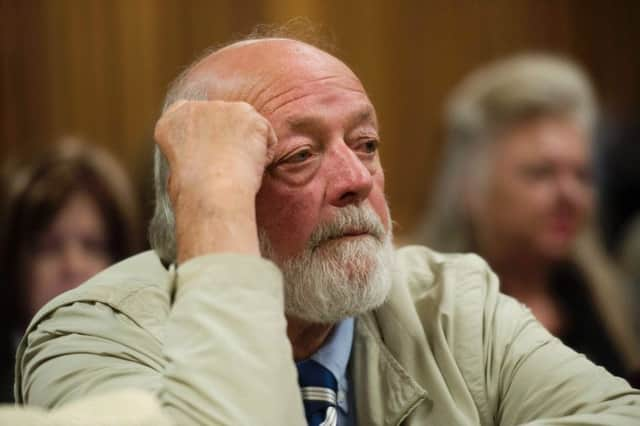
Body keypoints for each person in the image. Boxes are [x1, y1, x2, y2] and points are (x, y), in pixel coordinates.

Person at [14, 33, 640, 425]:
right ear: (212, 196)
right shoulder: (91, 330)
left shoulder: (452, 302)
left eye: (365, 144)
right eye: (299, 157)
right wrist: (211, 201)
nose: (356, 179)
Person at [412, 54, 640, 384]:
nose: (570, 196)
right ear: (471, 189)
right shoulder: (419, 311)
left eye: (582, 175)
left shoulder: (613, 306)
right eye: (541, 174)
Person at [0, 139, 142, 402]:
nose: (73, 266)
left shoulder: (151, 373)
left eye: (93, 246)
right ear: (15, 263)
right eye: (49, 247)